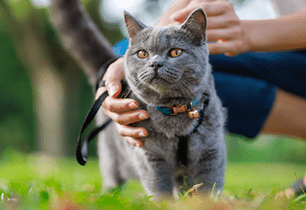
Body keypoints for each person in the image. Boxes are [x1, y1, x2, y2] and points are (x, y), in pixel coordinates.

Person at [96, 0, 306, 198]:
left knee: (198, 62)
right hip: (293, 54)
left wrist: (247, 33)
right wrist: (121, 70)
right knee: (147, 57)